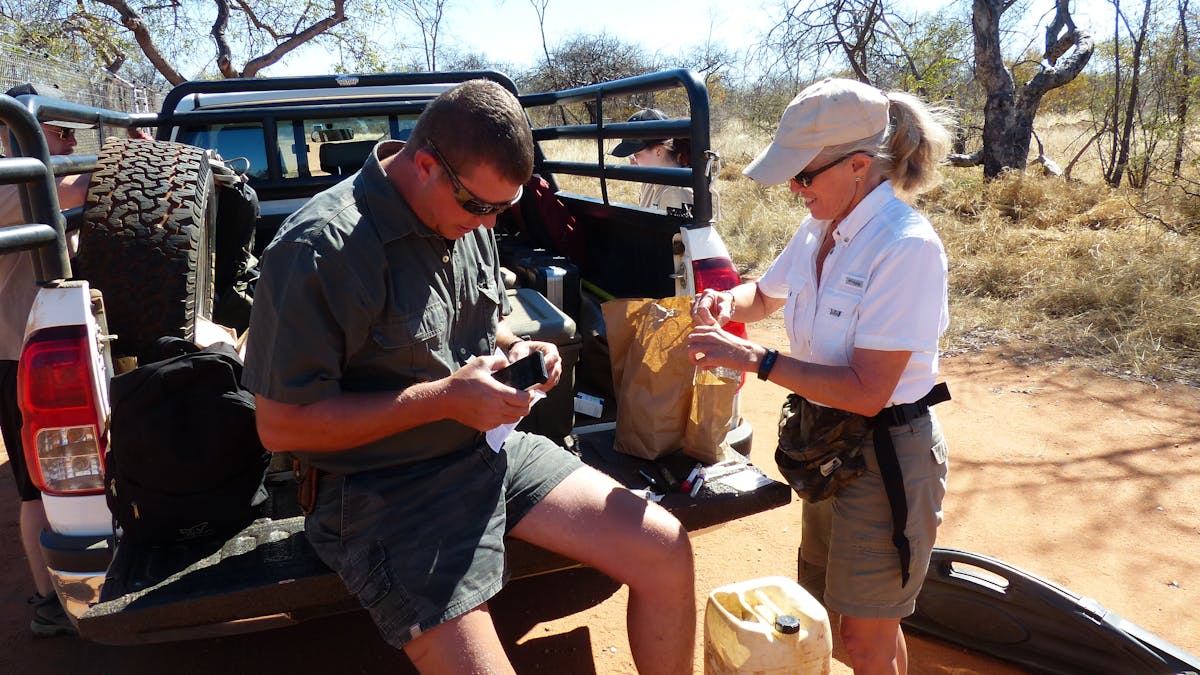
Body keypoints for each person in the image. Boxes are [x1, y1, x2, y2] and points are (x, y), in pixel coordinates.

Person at [242, 79, 695, 674]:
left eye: (502, 209)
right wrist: (445, 400)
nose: (490, 221)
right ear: (426, 164)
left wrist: (518, 351)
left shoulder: (466, 216)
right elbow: (280, 427)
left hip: (485, 451)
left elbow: (472, 329)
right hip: (384, 487)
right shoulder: (321, 249)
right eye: (482, 207)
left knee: (666, 549)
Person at [686, 78, 954, 674]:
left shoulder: (905, 248)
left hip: (884, 455)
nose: (794, 188)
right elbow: (763, 297)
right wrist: (726, 305)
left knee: (864, 638)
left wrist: (755, 361)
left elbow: (866, 390)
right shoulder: (818, 228)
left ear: (859, 165)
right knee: (845, 616)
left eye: (805, 175)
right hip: (827, 445)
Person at [0, 83, 96, 638]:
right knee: (37, 488)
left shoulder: (36, 177)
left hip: (47, 346)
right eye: (59, 132)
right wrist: (137, 156)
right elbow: (75, 188)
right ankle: (47, 604)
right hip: (16, 355)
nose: (67, 143)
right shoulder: (13, 178)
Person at [610, 108, 694, 213]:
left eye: (636, 154)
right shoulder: (650, 181)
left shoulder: (677, 193)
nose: (632, 161)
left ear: (658, 151)